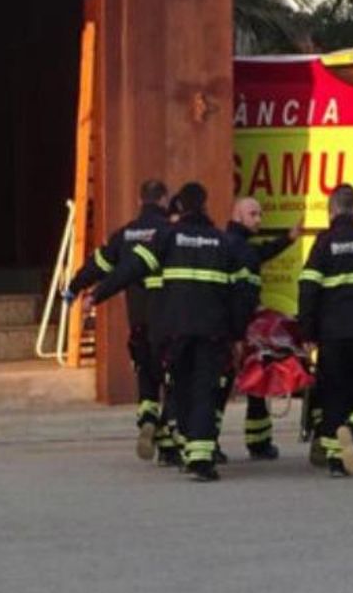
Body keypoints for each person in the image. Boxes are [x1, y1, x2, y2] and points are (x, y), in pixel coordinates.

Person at [92, 182, 257, 482]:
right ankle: (200, 458)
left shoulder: (167, 237)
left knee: (179, 389)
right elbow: (244, 292)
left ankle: (182, 445)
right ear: (205, 206)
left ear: (179, 208)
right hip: (212, 331)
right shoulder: (222, 242)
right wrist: (237, 333)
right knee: (204, 390)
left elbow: (131, 268)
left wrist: (97, 294)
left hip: (175, 331)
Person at [67, 179, 172, 462]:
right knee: (171, 378)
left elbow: (98, 265)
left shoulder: (125, 234)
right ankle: (168, 444)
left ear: (139, 201)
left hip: (138, 317)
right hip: (167, 316)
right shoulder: (168, 232)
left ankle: (147, 418)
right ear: (164, 200)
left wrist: (75, 287)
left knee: (146, 372)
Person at [297, 183, 353, 477]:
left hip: (333, 334)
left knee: (334, 394)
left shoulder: (323, 243)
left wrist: (307, 332)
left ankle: (337, 461)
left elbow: (308, 288)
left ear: (332, 211)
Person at [220, 196, 303, 460]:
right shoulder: (238, 247)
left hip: (233, 327)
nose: (259, 219)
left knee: (252, 383)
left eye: (260, 214)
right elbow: (242, 293)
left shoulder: (236, 244)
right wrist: (238, 334)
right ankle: (248, 444)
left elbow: (262, 252)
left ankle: (256, 442)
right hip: (236, 328)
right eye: (253, 214)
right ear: (237, 215)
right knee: (225, 388)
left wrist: (288, 239)